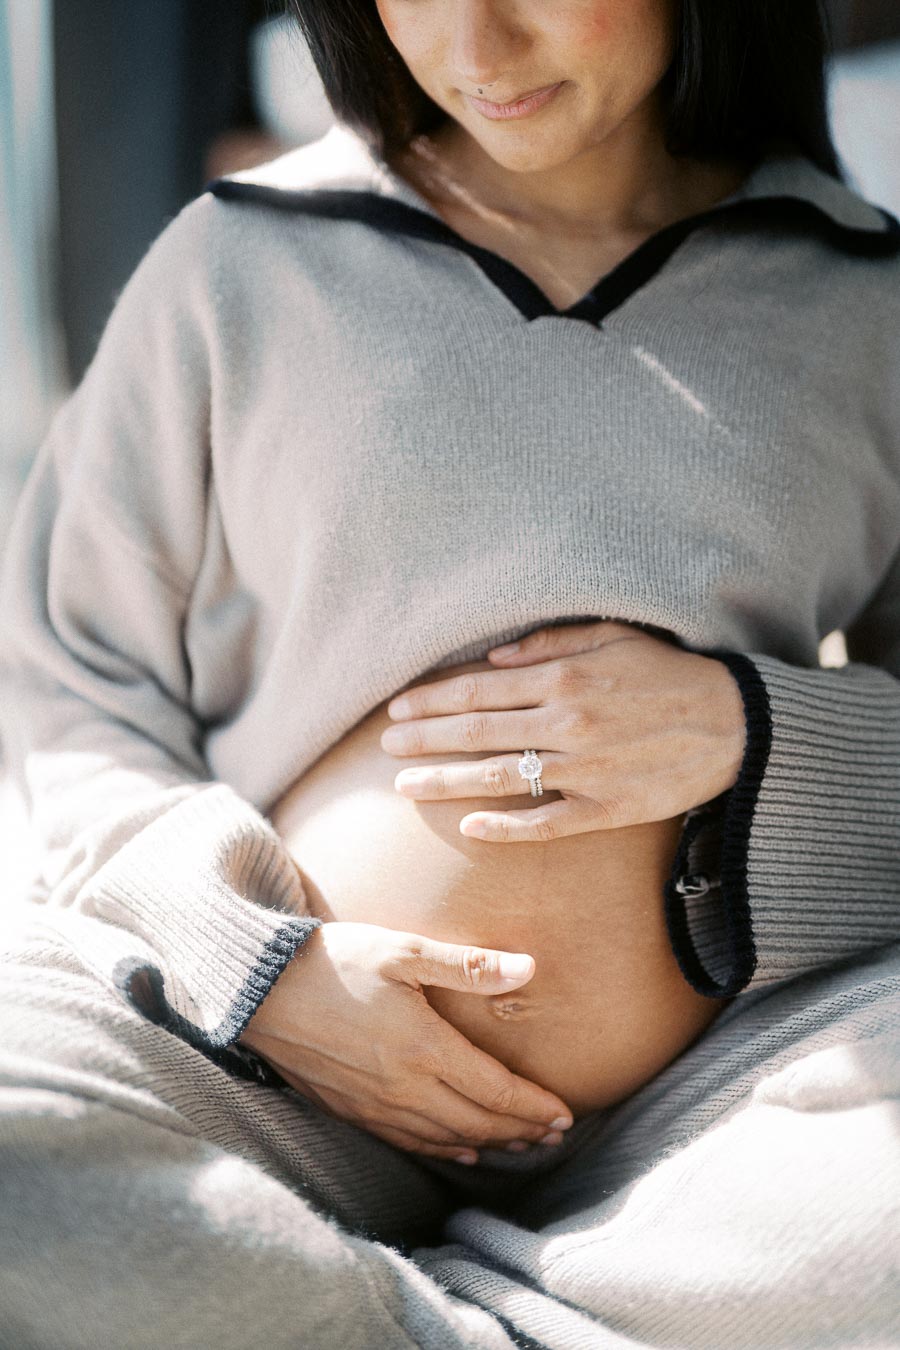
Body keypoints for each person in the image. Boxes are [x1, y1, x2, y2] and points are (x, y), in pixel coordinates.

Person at [1, 0, 899, 1344]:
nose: (472, 47)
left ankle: (366, 1312)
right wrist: (257, 967)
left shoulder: (860, 296)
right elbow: (64, 687)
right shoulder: (239, 263)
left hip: (714, 1116)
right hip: (250, 1072)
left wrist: (753, 732)